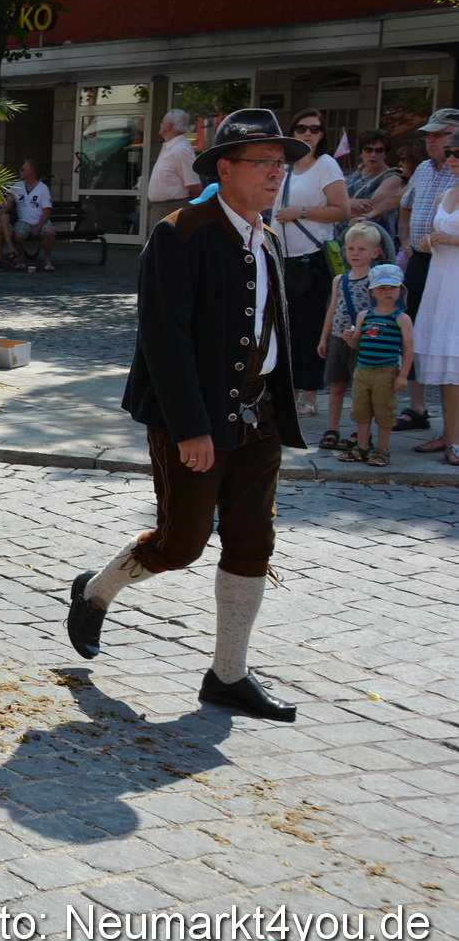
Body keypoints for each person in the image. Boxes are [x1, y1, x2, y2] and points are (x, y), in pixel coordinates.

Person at [64, 109, 306, 722]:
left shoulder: (268, 236)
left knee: (253, 541)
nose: (277, 173)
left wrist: (282, 396)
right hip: (196, 419)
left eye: (282, 164)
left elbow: (270, 327)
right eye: (264, 163)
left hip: (261, 418)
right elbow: (164, 339)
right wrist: (193, 427)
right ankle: (96, 592)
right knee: (182, 542)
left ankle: (229, 675)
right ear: (224, 169)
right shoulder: (181, 232)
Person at [274, 109, 350, 420]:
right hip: (282, 255)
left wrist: (300, 211)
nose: (308, 133)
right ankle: (289, 389)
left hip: (312, 256)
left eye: (315, 129)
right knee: (286, 327)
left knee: (309, 328)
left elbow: (342, 209)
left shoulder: (325, 165)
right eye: (302, 128)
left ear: (322, 134)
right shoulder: (285, 166)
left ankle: (309, 394)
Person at [394, 107, 459, 433]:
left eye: (441, 135)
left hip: (452, 267)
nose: (433, 141)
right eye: (429, 135)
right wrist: (406, 239)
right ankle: (417, 408)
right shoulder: (423, 169)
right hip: (424, 262)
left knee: (453, 341)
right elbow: (404, 204)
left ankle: (452, 430)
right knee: (417, 330)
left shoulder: (455, 170)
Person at [315, 221, 392, 452]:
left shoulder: (375, 281)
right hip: (338, 340)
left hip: (363, 344)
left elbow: (381, 312)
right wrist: (323, 338)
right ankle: (333, 428)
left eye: (361, 249)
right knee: (336, 387)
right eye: (350, 249)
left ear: (375, 252)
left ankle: (361, 432)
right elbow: (332, 309)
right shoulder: (340, 279)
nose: (355, 253)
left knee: (361, 391)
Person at [409, 129, 459, 465]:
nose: (451, 157)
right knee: (444, 364)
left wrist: (453, 240)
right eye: (450, 151)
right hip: (441, 279)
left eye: (458, 153)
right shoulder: (448, 192)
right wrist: (429, 241)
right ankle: (449, 435)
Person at [337, 264, 412, 467]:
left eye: (392, 288)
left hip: (386, 372)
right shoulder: (365, 316)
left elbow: (408, 349)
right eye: (382, 288)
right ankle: (362, 447)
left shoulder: (402, 318)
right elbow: (357, 344)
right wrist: (349, 338)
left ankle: (382, 449)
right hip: (363, 371)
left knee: (384, 412)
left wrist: (403, 375)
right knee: (361, 411)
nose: (387, 292)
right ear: (372, 291)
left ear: (400, 290)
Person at [146, 109, 201, 235]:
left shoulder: (181, 149)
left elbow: (194, 185)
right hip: (162, 208)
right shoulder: (170, 147)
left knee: (168, 248)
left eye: (162, 122)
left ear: (168, 126)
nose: (160, 125)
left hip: (172, 208)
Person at [346, 129, 403, 243]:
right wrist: (351, 203)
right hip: (346, 239)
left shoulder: (392, 178)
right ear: (361, 153)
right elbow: (330, 202)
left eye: (379, 150)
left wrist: (340, 207)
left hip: (373, 242)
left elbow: (369, 209)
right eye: (368, 150)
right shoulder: (354, 176)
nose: (373, 154)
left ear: (385, 153)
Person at [11, 159, 55, 270]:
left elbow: (47, 211)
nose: (20, 171)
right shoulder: (17, 186)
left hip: (40, 220)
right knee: (18, 235)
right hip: (24, 221)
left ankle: (47, 259)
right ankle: (22, 258)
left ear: (31, 171)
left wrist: (39, 227)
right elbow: (6, 201)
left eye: (22, 169)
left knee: (49, 232)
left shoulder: (43, 188)